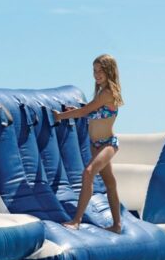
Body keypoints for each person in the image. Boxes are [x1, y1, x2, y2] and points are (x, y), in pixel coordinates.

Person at [52, 54, 124, 233]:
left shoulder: (108, 93)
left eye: (100, 70)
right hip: (96, 144)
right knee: (110, 183)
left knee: (88, 173)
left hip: (108, 144)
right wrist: (74, 111)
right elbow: (90, 110)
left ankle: (76, 220)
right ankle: (117, 225)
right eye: (94, 70)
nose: (96, 74)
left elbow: (86, 111)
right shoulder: (100, 93)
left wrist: (61, 116)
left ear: (109, 71)